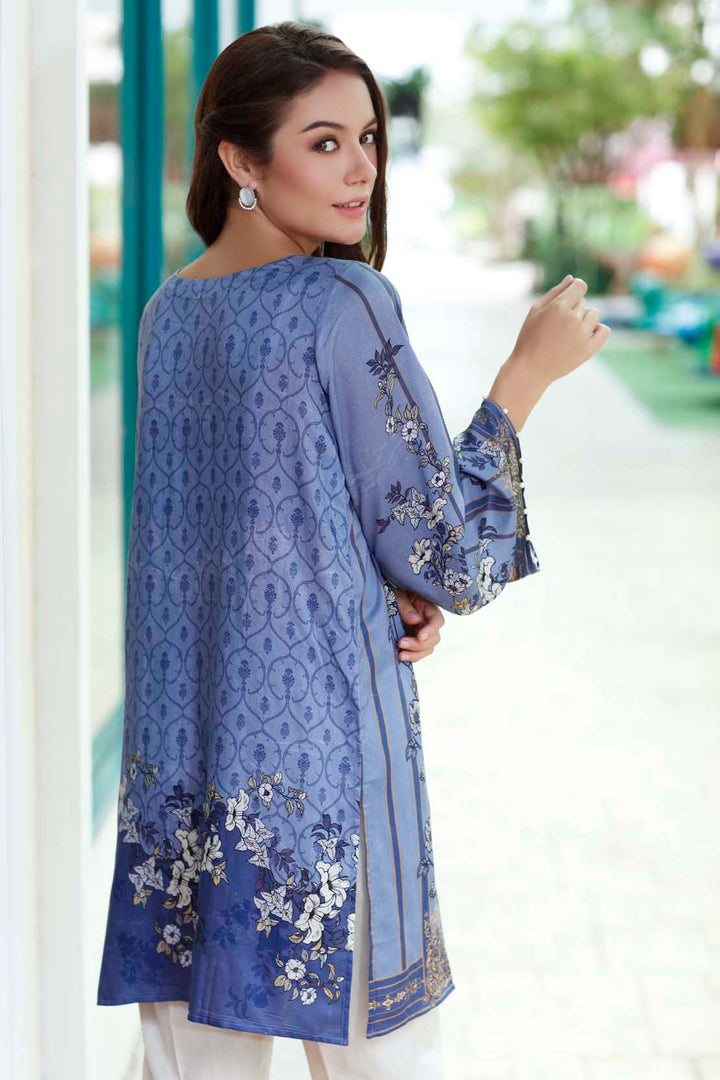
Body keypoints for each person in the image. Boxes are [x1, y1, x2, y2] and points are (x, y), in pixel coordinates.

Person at [96, 19, 611, 1080]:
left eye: (368, 138)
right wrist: (526, 375)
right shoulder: (345, 303)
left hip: (182, 785)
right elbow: (451, 558)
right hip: (320, 778)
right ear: (242, 161)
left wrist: (376, 584)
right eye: (324, 141)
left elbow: (255, 530)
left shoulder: (166, 315)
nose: (362, 168)